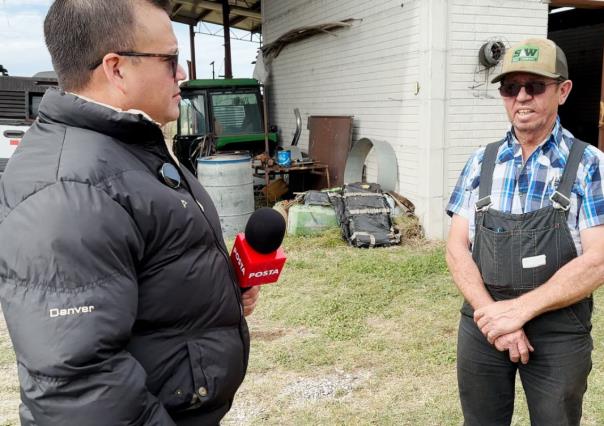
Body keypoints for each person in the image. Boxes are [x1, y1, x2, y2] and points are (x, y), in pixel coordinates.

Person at [0, 1, 260, 424]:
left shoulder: (128, 149)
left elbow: (150, 265)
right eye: (171, 59)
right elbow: (81, 388)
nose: (182, 74)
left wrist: (223, 291)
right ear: (116, 68)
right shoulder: (69, 189)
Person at [446, 38, 604, 425]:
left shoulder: (589, 165)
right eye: (509, 87)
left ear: (562, 91)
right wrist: (492, 316)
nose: (521, 98)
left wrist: (518, 312)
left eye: (534, 86)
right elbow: (455, 248)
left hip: (557, 326)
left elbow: (598, 260)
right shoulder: (480, 162)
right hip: (484, 321)